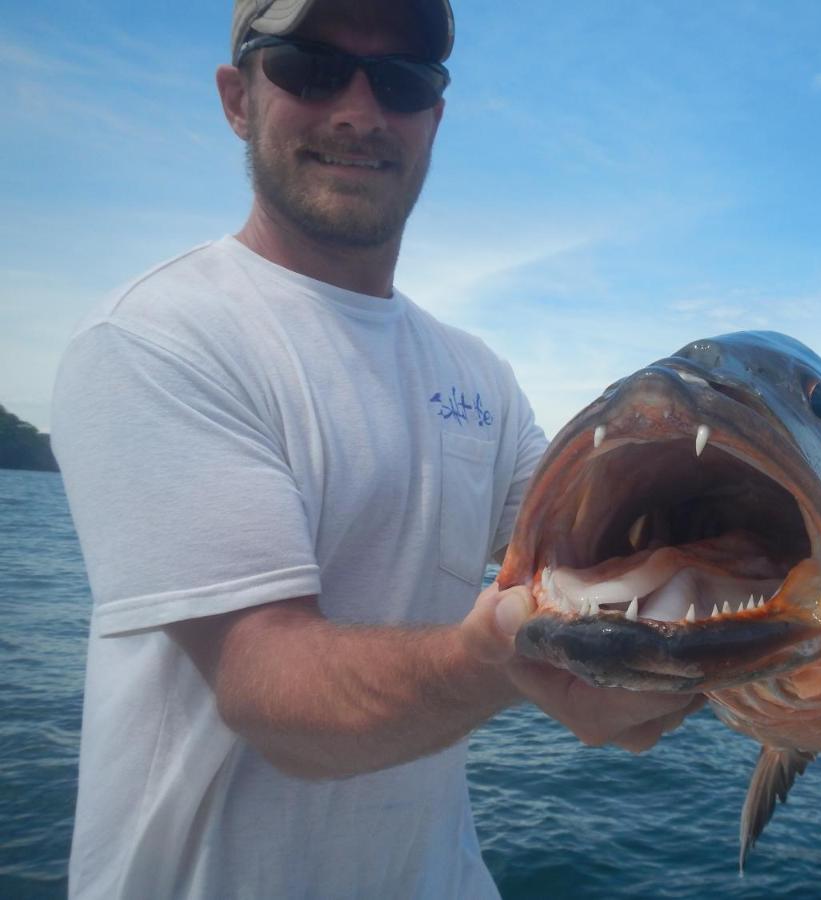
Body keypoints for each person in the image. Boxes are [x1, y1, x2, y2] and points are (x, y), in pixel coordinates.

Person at [51, 1, 702, 896]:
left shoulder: (481, 377)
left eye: (399, 81)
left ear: (433, 117)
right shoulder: (157, 338)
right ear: (237, 97)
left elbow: (612, 548)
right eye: (311, 67)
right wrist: (499, 659)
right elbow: (266, 690)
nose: (359, 111)